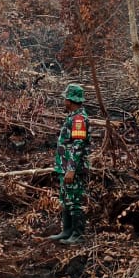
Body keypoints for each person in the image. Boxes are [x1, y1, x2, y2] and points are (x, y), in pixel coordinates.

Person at [52, 83, 91, 243]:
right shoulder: (73, 117)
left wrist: (71, 169)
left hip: (73, 168)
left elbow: (78, 145)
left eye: (65, 99)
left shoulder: (79, 120)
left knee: (74, 200)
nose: (64, 101)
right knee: (65, 199)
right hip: (65, 166)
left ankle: (78, 235)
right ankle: (67, 231)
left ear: (70, 100)